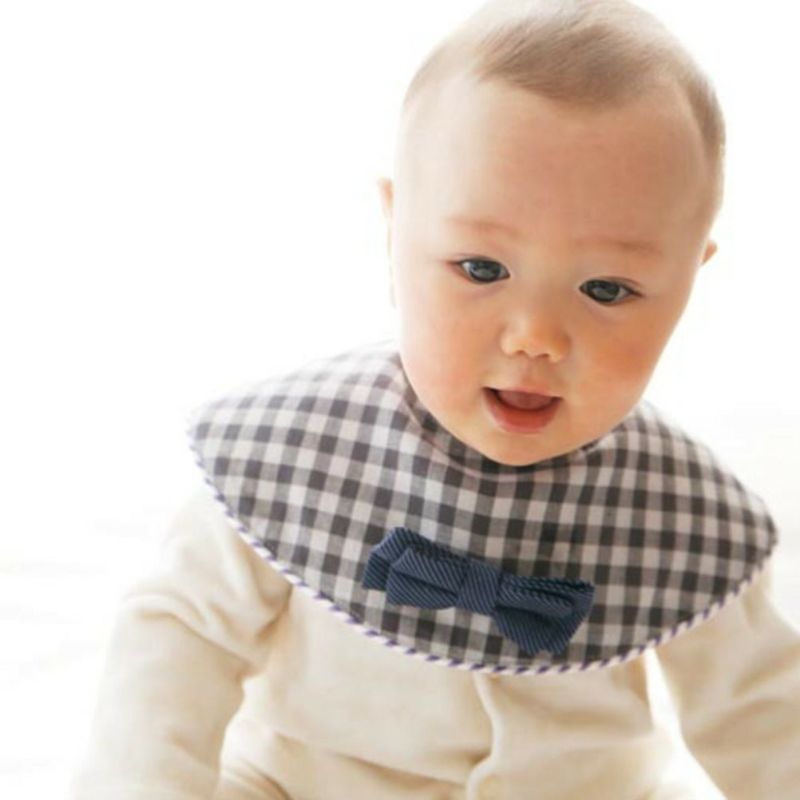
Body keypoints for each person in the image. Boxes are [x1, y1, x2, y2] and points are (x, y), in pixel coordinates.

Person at [68, 1, 800, 798]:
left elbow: (762, 710)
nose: (536, 336)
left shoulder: (678, 511)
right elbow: (180, 636)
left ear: (690, 278)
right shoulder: (299, 450)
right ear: (395, 235)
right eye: (482, 269)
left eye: (607, 289)